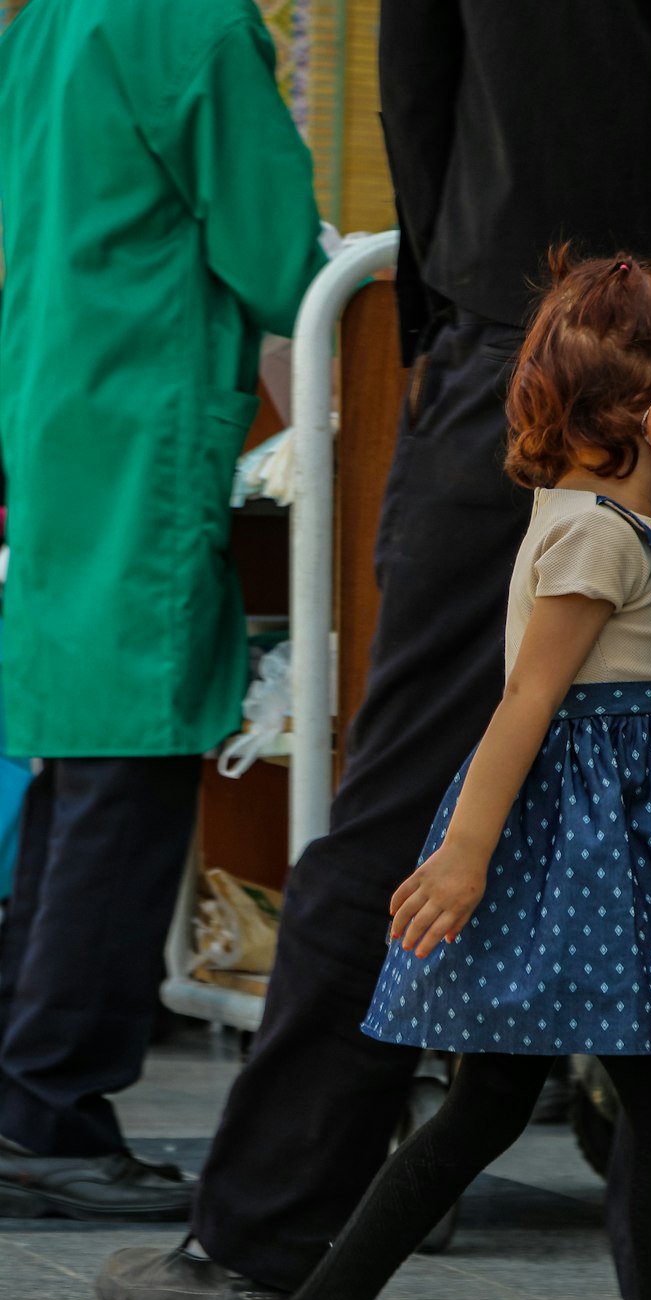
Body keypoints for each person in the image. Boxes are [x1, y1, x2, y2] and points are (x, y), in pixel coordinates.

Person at [95, 1, 651, 1300]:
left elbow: (416, 71)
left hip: (513, 327)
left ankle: (254, 1247)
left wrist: (443, 326)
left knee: (409, 777)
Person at [232, 248, 651, 1300]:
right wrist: (464, 853)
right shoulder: (591, 539)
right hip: (581, 845)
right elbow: (526, 701)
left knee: (491, 1100)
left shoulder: (612, 524)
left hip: (590, 839)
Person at [0, 0, 325, 1219]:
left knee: (80, 770)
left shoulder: (47, 22)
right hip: (141, 415)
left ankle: (26, 1097)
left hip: (62, 402)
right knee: (129, 772)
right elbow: (277, 256)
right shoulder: (187, 20)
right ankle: (51, 1111)